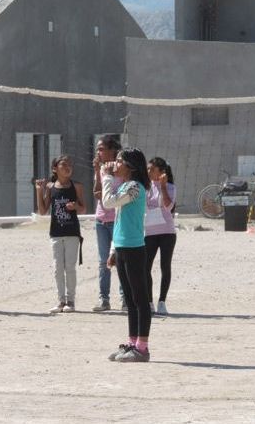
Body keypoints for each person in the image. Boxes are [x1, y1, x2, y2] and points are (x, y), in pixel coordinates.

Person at [102, 147, 152, 362]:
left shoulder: (135, 188)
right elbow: (119, 220)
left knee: (140, 299)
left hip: (134, 249)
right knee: (130, 300)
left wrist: (105, 178)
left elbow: (108, 203)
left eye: (120, 160)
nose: (115, 163)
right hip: (123, 247)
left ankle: (142, 347)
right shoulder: (125, 185)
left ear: (131, 166)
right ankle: (132, 343)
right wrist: (113, 250)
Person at [35, 155, 86, 313]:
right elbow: (43, 211)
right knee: (58, 268)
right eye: (64, 164)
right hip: (56, 233)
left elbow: (83, 208)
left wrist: (75, 207)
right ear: (55, 169)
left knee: (70, 267)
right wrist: (39, 191)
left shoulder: (76, 186)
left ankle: (71, 301)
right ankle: (61, 301)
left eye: (70, 164)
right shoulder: (50, 187)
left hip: (72, 233)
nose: (68, 167)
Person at [92, 136, 124, 312]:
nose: (99, 152)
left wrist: (111, 175)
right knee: (103, 261)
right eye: (98, 149)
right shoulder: (102, 169)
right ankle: (104, 299)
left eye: (102, 148)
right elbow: (97, 193)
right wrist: (98, 171)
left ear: (113, 150)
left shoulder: (121, 168)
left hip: (117, 219)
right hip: (101, 219)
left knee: (120, 260)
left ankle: (125, 299)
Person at [144, 157, 176, 316]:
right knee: (145, 267)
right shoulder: (145, 187)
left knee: (165, 266)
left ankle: (162, 301)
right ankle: (149, 302)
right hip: (149, 231)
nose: (148, 171)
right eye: (147, 169)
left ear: (161, 172)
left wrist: (162, 186)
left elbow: (169, 206)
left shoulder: (170, 187)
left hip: (167, 231)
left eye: (152, 169)